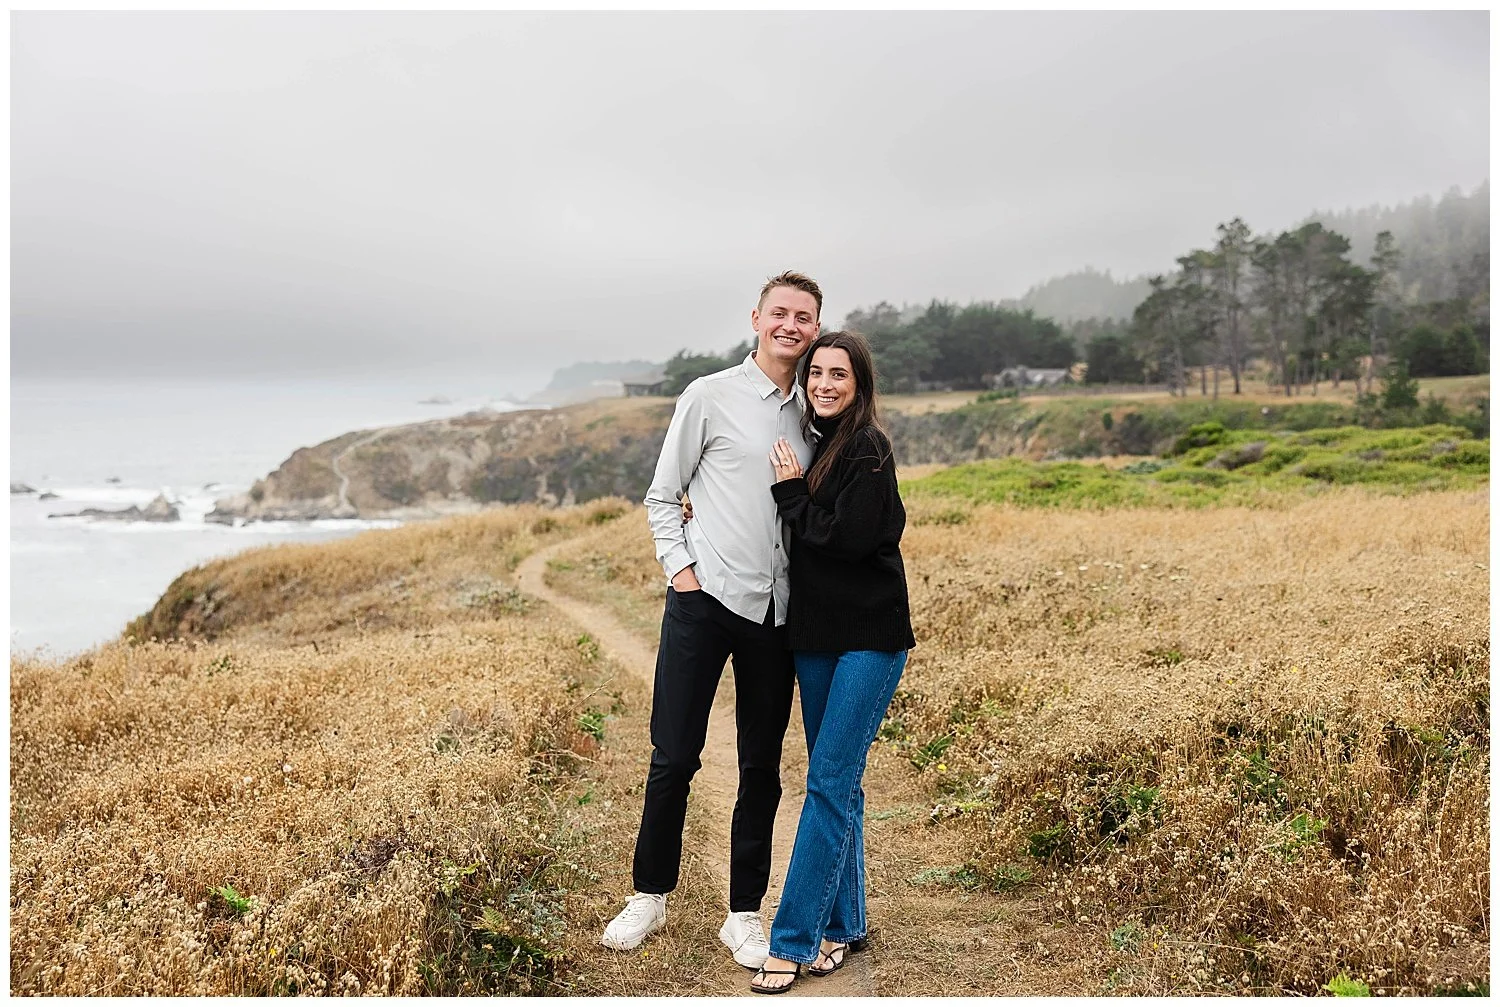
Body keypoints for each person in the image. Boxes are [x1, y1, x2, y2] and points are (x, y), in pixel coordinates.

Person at [600, 271, 823, 970]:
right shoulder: (709, 394)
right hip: (704, 602)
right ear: (757, 317)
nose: (791, 325)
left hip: (776, 614)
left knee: (762, 766)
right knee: (675, 755)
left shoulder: (816, 411)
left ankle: (744, 915)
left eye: (805, 316)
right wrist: (683, 575)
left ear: (817, 326)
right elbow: (664, 495)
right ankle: (650, 894)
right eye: (780, 312)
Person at [747, 330, 916, 994]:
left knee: (826, 783)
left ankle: (791, 940)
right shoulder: (819, 444)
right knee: (838, 783)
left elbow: (845, 540)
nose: (824, 383)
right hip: (815, 637)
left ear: (859, 384)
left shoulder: (868, 448)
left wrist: (790, 496)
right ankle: (846, 923)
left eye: (837, 374)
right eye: (815, 372)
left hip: (869, 639)